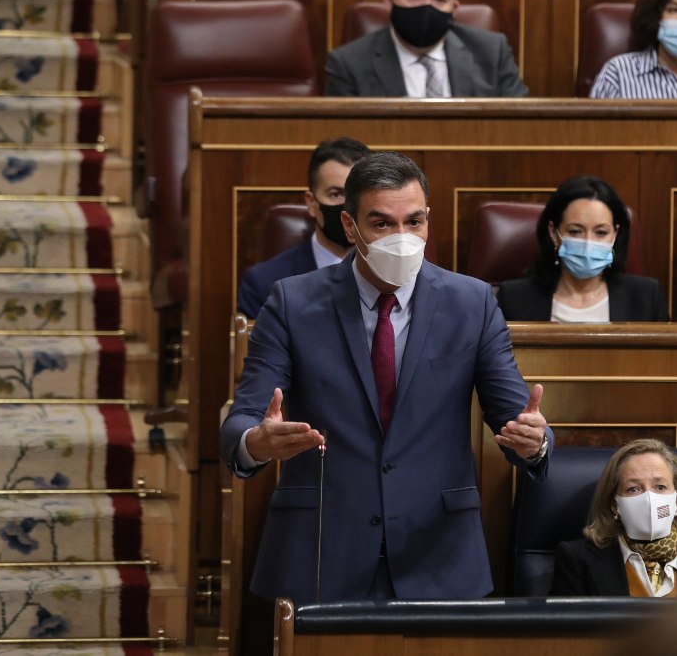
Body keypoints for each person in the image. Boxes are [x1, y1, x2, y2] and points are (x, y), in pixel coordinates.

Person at [220, 151, 553, 602]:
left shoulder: (471, 303)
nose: (402, 237)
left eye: (414, 222)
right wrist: (254, 444)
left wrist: (536, 442)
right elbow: (243, 418)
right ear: (350, 226)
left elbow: (516, 416)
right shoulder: (292, 302)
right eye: (382, 224)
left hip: (437, 553)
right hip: (322, 551)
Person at [551, 438, 677, 596]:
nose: (648, 499)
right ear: (615, 506)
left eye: (660, 487)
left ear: (676, 501)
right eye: (633, 489)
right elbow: (570, 633)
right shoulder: (578, 561)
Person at [495, 176, 669, 322]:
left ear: (615, 235)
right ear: (554, 233)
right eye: (575, 231)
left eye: (601, 232)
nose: (588, 242)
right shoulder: (514, 298)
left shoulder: (646, 297)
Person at [236, 138, 370, 319]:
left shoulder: (392, 275)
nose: (346, 206)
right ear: (311, 203)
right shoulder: (265, 283)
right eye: (336, 194)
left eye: (356, 194)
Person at [325, 0, 528, 97]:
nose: (426, 7)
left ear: (454, 9)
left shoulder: (492, 52)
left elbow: (521, 124)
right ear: (388, 0)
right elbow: (346, 147)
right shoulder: (348, 63)